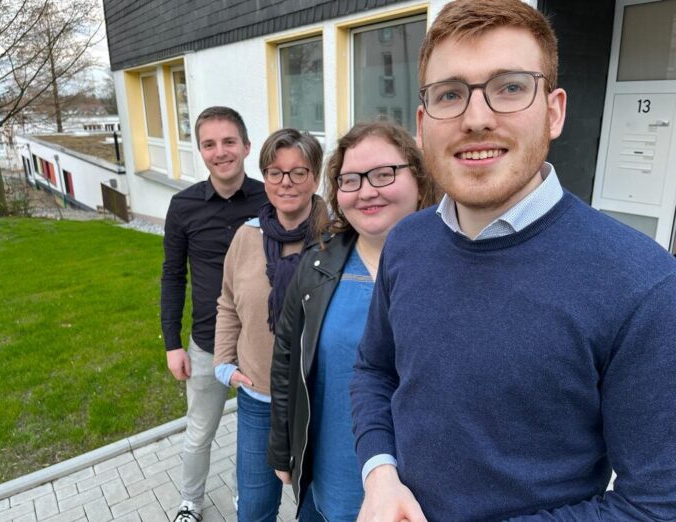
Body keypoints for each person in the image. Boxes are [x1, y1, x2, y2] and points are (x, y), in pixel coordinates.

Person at [350, 1, 676, 521]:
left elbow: (655, 507)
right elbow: (374, 370)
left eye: (510, 87)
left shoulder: (642, 285)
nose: (476, 119)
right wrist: (380, 475)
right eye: (449, 94)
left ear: (554, 110)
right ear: (422, 122)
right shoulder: (407, 242)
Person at [267, 121, 439, 521]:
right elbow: (287, 358)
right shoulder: (316, 264)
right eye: (350, 180)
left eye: (383, 174)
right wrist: (282, 449)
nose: (366, 191)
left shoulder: (457, 266)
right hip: (330, 475)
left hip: (418, 492)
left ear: (419, 176)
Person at [213, 128, 325, 522]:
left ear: (316, 176)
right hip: (258, 397)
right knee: (256, 509)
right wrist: (224, 364)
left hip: (319, 401)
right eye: (275, 172)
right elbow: (227, 303)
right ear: (264, 176)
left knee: (318, 508)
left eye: (299, 172)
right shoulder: (246, 237)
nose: (286, 183)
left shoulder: (336, 237)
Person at [161, 107, 267, 522]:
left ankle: (249, 498)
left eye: (228, 142)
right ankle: (190, 501)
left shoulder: (269, 197)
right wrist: (172, 343)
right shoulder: (183, 206)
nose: (220, 152)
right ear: (200, 151)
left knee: (254, 434)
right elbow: (172, 276)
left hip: (261, 342)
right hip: (206, 344)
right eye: (209, 144)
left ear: (245, 146)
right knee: (199, 432)